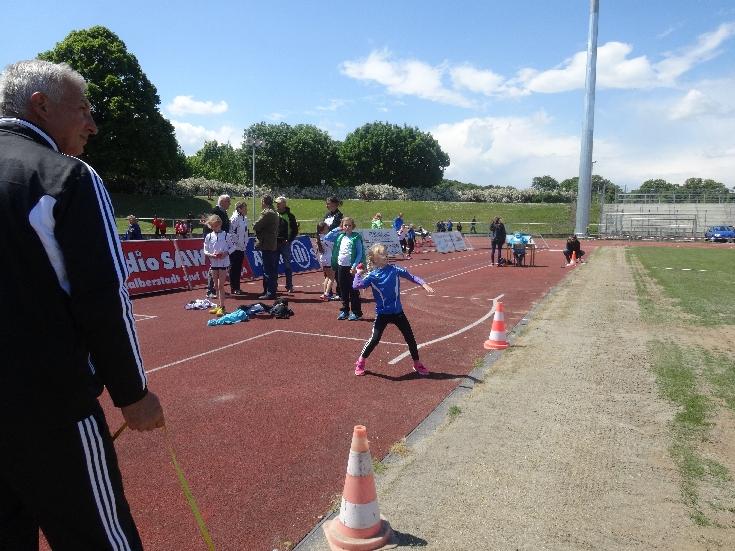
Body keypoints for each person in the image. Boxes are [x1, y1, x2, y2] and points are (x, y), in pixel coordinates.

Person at [0, 59, 164, 549]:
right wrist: (132, 394)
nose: (92, 125)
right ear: (41, 106)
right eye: (83, 110)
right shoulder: (65, 176)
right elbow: (103, 297)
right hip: (52, 410)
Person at [352, 244, 435, 376]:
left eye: (386, 253)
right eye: (382, 254)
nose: (386, 255)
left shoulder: (395, 269)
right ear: (374, 258)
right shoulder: (372, 275)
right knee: (375, 339)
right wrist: (358, 274)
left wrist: (423, 283)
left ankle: (417, 363)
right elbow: (356, 285)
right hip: (382, 314)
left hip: (398, 312)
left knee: (410, 338)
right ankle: (360, 362)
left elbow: (412, 276)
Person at [323, 217, 365, 320]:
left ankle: (356, 312)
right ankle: (345, 310)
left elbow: (360, 253)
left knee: (353, 290)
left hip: (352, 268)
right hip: (341, 267)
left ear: (353, 226)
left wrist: (354, 266)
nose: (347, 227)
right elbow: (327, 237)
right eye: (345, 225)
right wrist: (338, 228)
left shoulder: (356, 237)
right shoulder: (340, 236)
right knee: (343, 290)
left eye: (350, 225)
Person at [203, 214, 231, 316]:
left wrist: (225, 253)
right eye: (212, 226)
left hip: (224, 263)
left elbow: (233, 247)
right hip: (214, 263)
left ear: (220, 224)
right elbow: (205, 250)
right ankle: (218, 306)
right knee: (215, 286)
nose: (214, 228)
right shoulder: (209, 236)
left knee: (220, 285)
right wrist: (211, 255)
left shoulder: (226, 235)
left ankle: (222, 306)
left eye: (216, 225)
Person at [253, 194, 280, 299]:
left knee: (268, 270)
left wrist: (256, 227)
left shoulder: (268, 213)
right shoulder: (274, 212)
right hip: (271, 243)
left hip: (267, 243)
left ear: (264, 202)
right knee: (270, 269)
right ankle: (268, 291)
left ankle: (270, 292)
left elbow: (257, 225)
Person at [205, 195, 231, 298]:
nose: (229, 204)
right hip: (214, 243)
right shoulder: (215, 211)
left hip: (222, 242)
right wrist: (210, 242)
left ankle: (218, 289)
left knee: (220, 268)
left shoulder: (224, 212)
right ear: (223, 202)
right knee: (213, 268)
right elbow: (208, 227)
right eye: (228, 201)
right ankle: (211, 290)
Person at [275, 196, 298, 293]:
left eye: (279, 203)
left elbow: (295, 230)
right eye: (276, 203)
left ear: (284, 204)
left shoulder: (290, 216)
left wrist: (289, 240)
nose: (277, 205)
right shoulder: (274, 214)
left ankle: (289, 286)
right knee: (274, 265)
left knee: (287, 265)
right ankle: (274, 286)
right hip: (275, 244)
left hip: (285, 244)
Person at [229, 201, 248, 296]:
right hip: (235, 248)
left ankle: (237, 287)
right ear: (239, 209)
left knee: (238, 268)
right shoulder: (234, 218)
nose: (247, 210)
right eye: (245, 208)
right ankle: (234, 288)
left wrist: (245, 242)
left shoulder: (244, 218)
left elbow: (245, 232)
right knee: (234, 268)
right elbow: (231, 233)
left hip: (242, 248)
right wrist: (238, 243)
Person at [315, 221, 337, 300]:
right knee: (332, 277)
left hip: (322, 259)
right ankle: (327, 294)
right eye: (327, 228)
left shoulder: (318, 238)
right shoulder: (326, 238)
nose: (328, 229)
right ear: (323, 230)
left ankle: (324, 293)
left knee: (327, 277)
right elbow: (333, 246)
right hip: (329, 259)